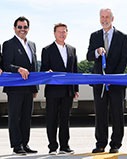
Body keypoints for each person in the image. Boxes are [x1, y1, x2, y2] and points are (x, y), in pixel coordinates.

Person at [87, 8, 127, 153]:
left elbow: (124, 60)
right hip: (99, 83)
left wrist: (112, 78)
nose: (104, 19)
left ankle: (115, 144)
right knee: (100, 114)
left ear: (112, 18)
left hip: (116, 83)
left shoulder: (122, 37)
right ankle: (100, 143)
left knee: (117, 114)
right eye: (102, 17)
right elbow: (88, 56)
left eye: (107, 17)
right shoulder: (94, 36)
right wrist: (96, 52)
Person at [40, 23, 79, 155]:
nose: (62, 34)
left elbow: (75, 71)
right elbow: (43, 69)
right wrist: (47, 71)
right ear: (54, 33)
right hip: (53, 91)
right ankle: (52, 147)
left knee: (65, 119)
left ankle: (64, 146)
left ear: (67, 33)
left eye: (64, 31)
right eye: (59, 32)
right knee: (51, 118)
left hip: (68, 90)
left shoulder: (72, 49)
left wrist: (76, 89)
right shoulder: (47, 50)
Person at [2, 16, 38, 155]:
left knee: (26, 117)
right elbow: (6, 65)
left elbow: (34, 66)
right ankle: (17, 145)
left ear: (28, 28)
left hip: (29, 87)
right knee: (15, 116)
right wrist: (18, 69)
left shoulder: (32, 45)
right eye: (20, 27)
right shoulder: (9, 44)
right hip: (15, 88)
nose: (22, 30)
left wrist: (35, 87)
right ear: (14, 28)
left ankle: (25, 143)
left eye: (25, 27)